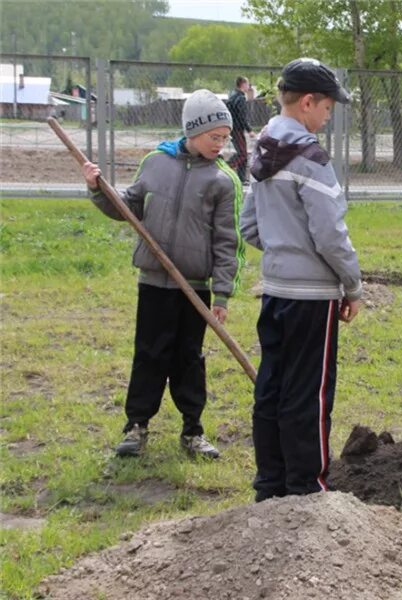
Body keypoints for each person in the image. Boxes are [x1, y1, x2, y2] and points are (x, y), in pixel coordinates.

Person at [81, 89, 244, 459]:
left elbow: (227, 242)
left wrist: (221, 294)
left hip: (195, 287)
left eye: (225, 137)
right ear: (192, 131)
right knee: (149, 353)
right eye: (214, 137)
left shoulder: (223, 181)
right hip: (154, 282)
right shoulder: (155, 163)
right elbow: (127, 208)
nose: (222, 144)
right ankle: (136, 426)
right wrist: (97, 189)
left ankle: (193, 430)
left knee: (189, 357)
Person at [240, 58, 361, 501]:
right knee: (309, 395)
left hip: (275, 291)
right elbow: (330, 235)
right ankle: (306, 489)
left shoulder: (263, 150)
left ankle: (270, 486)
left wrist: (282, 251)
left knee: (271, 387)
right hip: (313, 297)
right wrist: (353, 285)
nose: (328, 116)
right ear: (308, 101)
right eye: (327, 107)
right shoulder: (311, 156)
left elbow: (250, 226)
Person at [226, 76, 254, 183]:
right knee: (242, 153)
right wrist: (249, 130)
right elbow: (242, 116)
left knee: (243, 153)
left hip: (233, 128)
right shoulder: (241, 98)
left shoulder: (233, 96)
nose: (249, 86)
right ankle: (225, 168)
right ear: (242, 84)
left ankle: (241, 178)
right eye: (247, 84)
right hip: (237, 129)